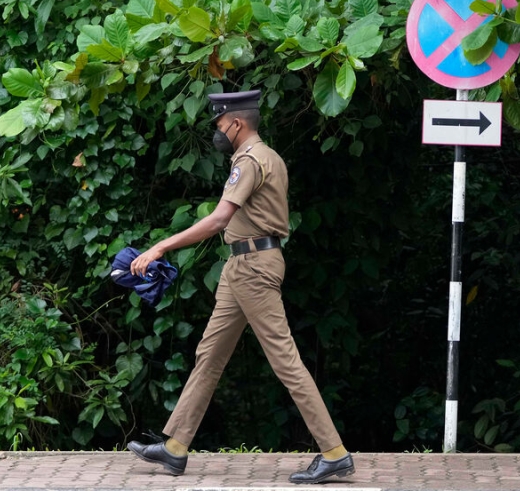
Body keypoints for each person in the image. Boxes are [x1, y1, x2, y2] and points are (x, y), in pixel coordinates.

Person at [126, 90, 355, 484]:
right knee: (209, 354)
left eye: (218, 125)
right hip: (241, 265)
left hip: (253, 267)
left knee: (285, 361)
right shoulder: (268, 157)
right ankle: (176, 447)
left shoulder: (250, 160)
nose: (217, 131)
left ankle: (334, 453)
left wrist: (161, 245)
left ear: (236, 123)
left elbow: (218, 220)